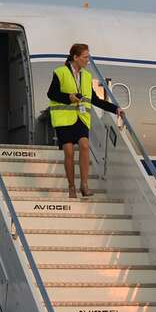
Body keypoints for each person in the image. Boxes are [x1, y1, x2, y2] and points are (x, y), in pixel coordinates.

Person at [45, 42, 123, 199]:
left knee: (85, 145)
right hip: (64, 119)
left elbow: (95, 100)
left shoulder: (86, 76)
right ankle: (71, 186)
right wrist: (69, 97)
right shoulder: (60, 72)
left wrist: (115, 109)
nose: (88, 60)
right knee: (68, 152)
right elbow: (51, 93)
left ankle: (84, 185)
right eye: (85, 57)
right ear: (75, 57)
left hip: (81, 118)